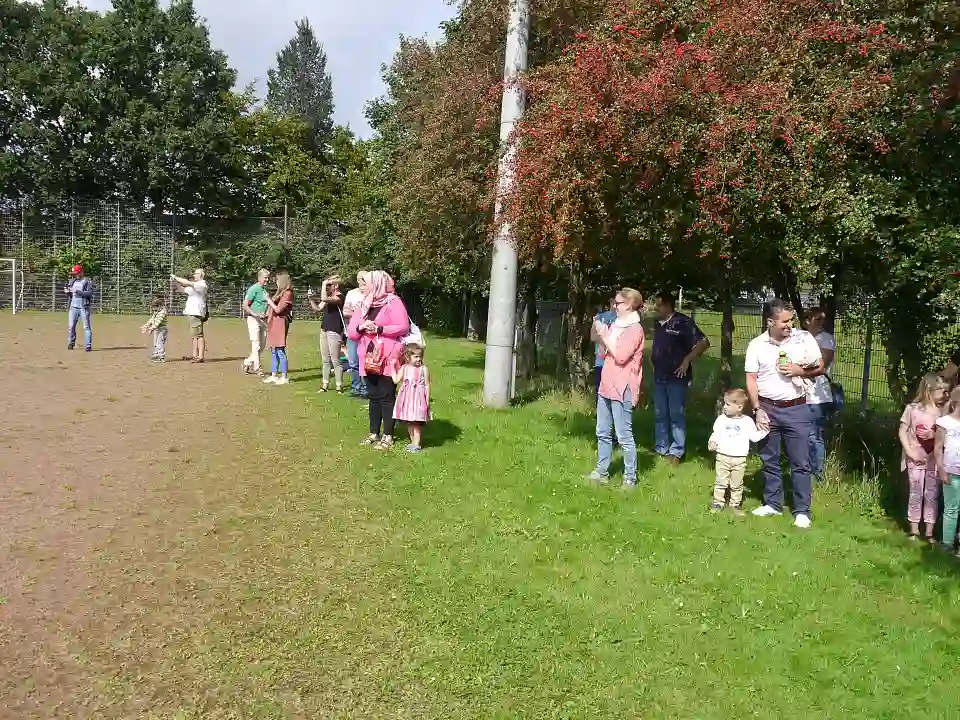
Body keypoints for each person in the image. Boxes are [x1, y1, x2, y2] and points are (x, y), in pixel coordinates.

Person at [745, 299, 825, 528]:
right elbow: (751, 379)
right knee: (769, 459)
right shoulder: (757, 345)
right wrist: (757, 409)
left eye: (791, 320)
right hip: (767, 408)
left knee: (800, 462)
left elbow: (820, 366)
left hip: (797, 407)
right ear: (770, 322)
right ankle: (773, 504)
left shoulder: (804, 339)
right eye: (785, 321)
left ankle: (802, 511)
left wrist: (800, 370)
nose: (790, 325)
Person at [587, 288, 646, 488]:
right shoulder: (617, 325)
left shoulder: (634, 329)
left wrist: (606, 335)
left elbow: (621, 356)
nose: (614, 306)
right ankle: (601, 471)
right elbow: (605, 354)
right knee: (602, 431)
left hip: (623, 387)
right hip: (606, 383)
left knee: (623, 435)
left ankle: (630, 478)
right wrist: (599, 335)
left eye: (618, 303)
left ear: (629, 305)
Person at [347, 270, 411, 450]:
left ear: (376, 284)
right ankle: (373, 433)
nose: (362, 286)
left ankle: (388, 435)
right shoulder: (363, 305)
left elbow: (403, 326)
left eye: (365, 283)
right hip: (367, 357)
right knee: (373, 395)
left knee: (386, 395)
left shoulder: (393, 302)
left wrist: (380, 328)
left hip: (388, 356)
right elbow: (351, 332)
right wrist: (361, 327)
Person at [651, 291, 709, 464]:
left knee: (676, 413)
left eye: (659, 304)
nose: (656, 307)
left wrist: (686, 361)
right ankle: (661, 447)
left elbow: (703, 342)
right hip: (659, 374)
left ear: (668, 305)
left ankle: (677, 451)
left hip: (677, 376)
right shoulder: (657, 323)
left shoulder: (683, 322)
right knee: (660, 412)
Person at [900, 373, 949, 541]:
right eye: (942, 391)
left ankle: (929, 532)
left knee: (932, 494)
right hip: (915, 459)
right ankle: (914, 529)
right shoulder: (912, 409)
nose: (945, 395)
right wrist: (910, 452)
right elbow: (902, 432)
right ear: (929, 390)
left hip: (934, 462)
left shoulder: (943, 413)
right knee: (916, 492)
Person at [707, 388, 768, 515]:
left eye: (728, 404)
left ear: (739, 407)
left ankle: (735, 504)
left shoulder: (747, 422)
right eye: (724, 403)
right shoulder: (721, 419)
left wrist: (765, 431)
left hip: (739, 459)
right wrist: (712, 442)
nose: (725, 407)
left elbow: (754, 437)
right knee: (720, 481)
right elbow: (716, 433)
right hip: (722, 456)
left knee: (737, 483)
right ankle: (718, 502)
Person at [804, 307, 836, 477]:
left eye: (823, 319)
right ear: (807, 321)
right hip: (799, 393)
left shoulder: (826, 340)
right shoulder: (799, 338)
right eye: (817, 319)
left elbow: (822, 365)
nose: (821, 323)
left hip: (818, 395)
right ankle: (803, 469)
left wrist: (799, 368)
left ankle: (817, 473)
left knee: (814, 435)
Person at [308, 275, 345, 393]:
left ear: (336, 286)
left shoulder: (339, 297)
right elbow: (317, 309)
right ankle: (325, 385)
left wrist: (324, 283)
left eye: (330, 285)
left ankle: (339, 385)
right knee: (325, 360)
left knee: (335, 360)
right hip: (324, 329)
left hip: (334, 330)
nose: (328, 287)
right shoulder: (328, 297)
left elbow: (324, 299)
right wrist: (310, 299)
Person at [393, 343, 431, 453]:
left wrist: (427, 399)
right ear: (408, 357)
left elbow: (427, 385)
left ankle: (417, 444)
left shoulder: (424, 369)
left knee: (416, 422)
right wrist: (392, 367)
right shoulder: (404, 368)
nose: (419, 359)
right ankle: (413, 441)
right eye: (416, 356)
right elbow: (396, 380)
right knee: (409, 422)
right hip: (407, 400)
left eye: (420, 356)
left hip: (418, 400)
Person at [935, 385, 960, 554]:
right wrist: (941, 469)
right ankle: (947, 543)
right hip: (951, 471)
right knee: (951, 508)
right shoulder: (945, 422)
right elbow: (938, 449)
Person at [263, 271, 294, 385]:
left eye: (277, 280)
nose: (276, 282)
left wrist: (269, 301)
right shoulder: (281, 292)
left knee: (280, 349)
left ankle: (284, 377)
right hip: (274, 322)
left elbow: (278, 310)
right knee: (274, 349)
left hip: (280, 323)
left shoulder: (288, 293)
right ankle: (274, 375)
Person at [171, 269, 209, 363]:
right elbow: (181, 290)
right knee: (194, 336)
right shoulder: (194, 286)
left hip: (196, 313)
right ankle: (194, 355)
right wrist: (174, 281)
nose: (194, 275)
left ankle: (200, 356)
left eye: (195, 273)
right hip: (191, 313)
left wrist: (176, 277)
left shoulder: (202, 284)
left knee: (199, 335)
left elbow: (187, 282)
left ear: (201, 275)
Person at [343, 272, 369, 398]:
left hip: (366, 333)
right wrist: (358, 313)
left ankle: (365, 388)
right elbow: (345, 311)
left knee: (365, 361)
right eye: (359, 279)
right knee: (353, 361)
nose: (361, 281)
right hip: (353, 331)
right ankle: (355, 387)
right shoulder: (351, 294)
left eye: (363, 279)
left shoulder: (371, 293)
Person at [242, 269, 270, 376]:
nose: (267, 280)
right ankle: (257, 368)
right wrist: (255, 314)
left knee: (262, 345)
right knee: (256, 344)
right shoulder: (254, 289)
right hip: (253, 319)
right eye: (265, 278)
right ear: (259, 278)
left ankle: (247, 362)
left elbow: (267, 305)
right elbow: (245, 305)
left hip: (263, 320)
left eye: (268, 278)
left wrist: (266, 313)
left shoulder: (264, 291)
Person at [64, 264, 94, 351]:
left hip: (83, 307)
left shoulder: (87, 282)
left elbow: (89, 293)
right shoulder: (72, 282)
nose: (74, 275)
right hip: (73, 307)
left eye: (76, 273)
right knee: (71, 326)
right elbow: (71, 294)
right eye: (73, 273)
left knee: (86, 327)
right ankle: (71, 343)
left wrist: (78, 291)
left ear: (81, 272)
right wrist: (67, 292)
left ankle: (88, 345)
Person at [592, 295, 616, 395]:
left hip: (616, 364)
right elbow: (593, 337)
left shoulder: (623, 320)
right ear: (611, 301)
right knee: (600, 394)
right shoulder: (600, 317)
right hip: (600, 363)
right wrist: (603, 342)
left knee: (614, 396)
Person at [140, 296, 168, 363]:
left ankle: (161, 356)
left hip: (162, 330)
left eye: (154, 307)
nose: (153, 309)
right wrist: (146, 325)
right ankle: (156, 354)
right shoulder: (157, 311)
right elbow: (152, 319)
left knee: (159, 342)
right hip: (157, 329)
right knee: (155, 342)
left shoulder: (163, 312)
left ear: (159, 306)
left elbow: (157, 322)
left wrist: (151, 329)